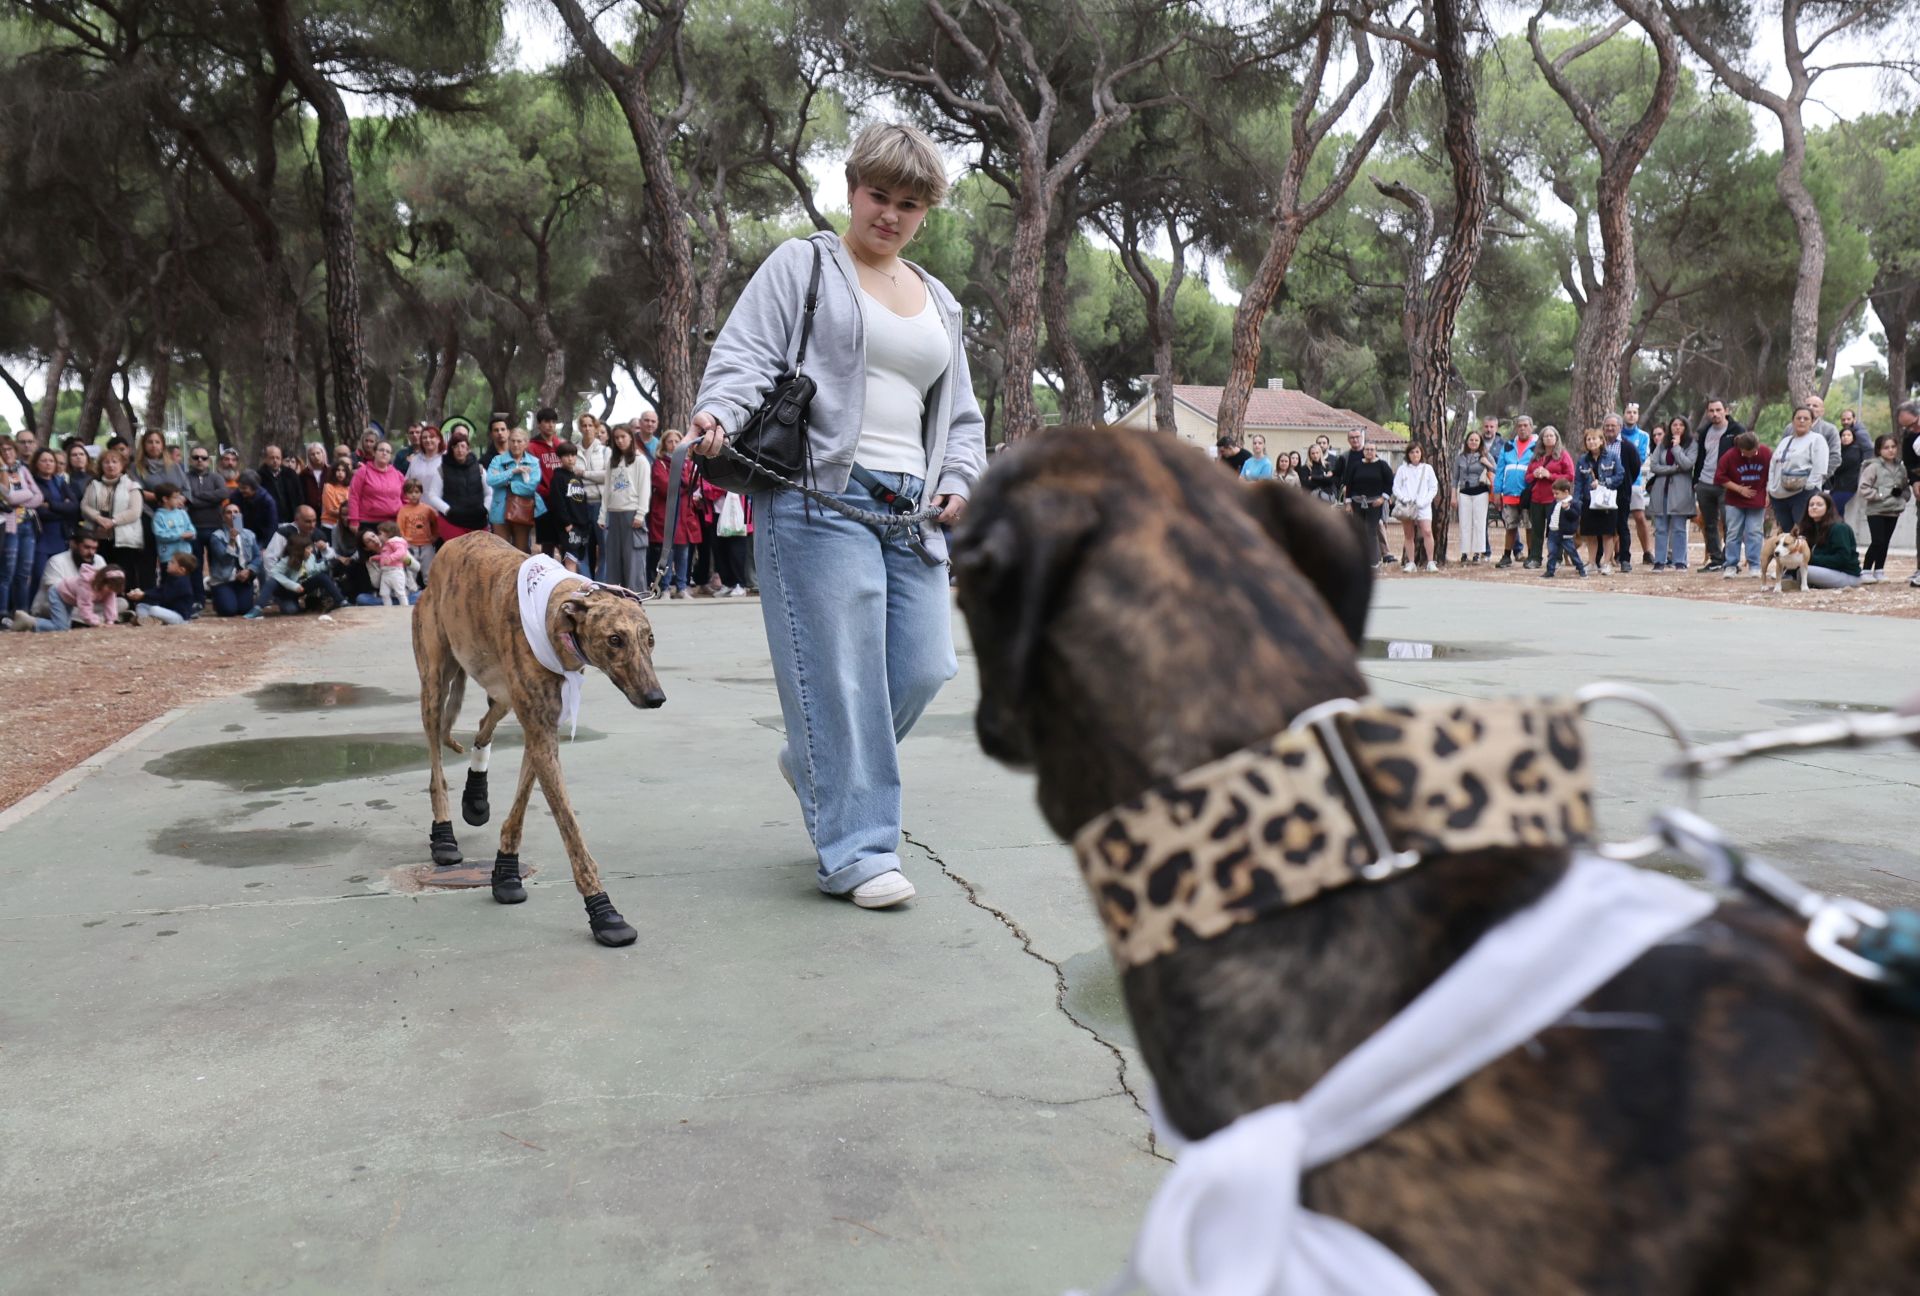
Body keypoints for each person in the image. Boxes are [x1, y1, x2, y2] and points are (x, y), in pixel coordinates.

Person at [690, 121, 985, 910]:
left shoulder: (942, 303)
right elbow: (747, 354)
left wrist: (959, 479)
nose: (890, 214)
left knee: (925, 667)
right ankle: (857, 854)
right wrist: (718, 413)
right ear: (852, 189)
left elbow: (960, 417)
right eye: (878, 196)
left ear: (927, 211)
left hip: (910, 513)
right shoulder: (806, 264)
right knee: (840, 676)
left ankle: (817, 759)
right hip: (819, 498)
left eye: (909, 203)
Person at [1692, 398, 1745, 571]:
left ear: (1726, 410)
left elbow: (1745, 455)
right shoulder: (1704, 431)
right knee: (1709, 523)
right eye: (1711, 411)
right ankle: (1715, 559)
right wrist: (1696, 481)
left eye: (1718, 410)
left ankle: (1730, 560)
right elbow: (1700, 457)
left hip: (1727, 484)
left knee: (1730, 522)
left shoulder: (1736, 430)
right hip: (1705, 483)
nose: (1715, 414)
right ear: (1707, 413)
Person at [597, 422, 651, 590]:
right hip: (613, 514)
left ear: (630, 437)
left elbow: (644, 488)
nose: (620, 441)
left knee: (633, 560)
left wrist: (640, 514)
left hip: (631, 513)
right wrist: (602, 514)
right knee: (613, 561)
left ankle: (635, 596)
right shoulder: (612, 462)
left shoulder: (640, 461)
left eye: (623, 437)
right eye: (616, 438)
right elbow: (607, 490)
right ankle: (615, 596)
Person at [648, 428, 701, 596]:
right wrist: (683, 484)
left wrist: (682, 482)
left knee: (683, 553)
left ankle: (682, 587)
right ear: (663, 445)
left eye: (677, 441)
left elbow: (695, 483)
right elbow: (665, 486)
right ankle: (664, 588)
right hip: (666, 514)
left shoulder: (688, 463)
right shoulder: (660, 463)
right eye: (669, 441)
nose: (673, 445)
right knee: (667, 553)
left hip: (684, 515)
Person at [1715, 431, 1771, 578]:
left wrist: (1768, 494)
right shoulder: (1730, 455)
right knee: (1733, 532)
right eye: (1747, 453)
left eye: (1754, 452)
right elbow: (1720, 477)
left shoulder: (1765, 453)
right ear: (1740, 449)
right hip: (1734, 500)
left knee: (1754, 532)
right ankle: (1731, 565)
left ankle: (1754, 565)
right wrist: (1739, 489)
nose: (1751, 456)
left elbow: (1773, 473)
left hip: (1757, 498)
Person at [81, 450, 144, 580]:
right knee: (100, 575)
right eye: (106, 462)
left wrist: (113, 521)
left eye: (115, 462)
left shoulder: (132, 486)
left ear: (122, 465)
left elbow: (135, 511)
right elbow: (84, 505)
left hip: (124, 540)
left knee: (123, 576)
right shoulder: (93, 485)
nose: (111, 465)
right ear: (101, 465)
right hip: (98, 537)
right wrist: (98, 518)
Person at [1857, 435, 1911, 584]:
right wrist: (1881, 494)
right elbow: (1863, 488)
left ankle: (1879, 570)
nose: (1890, 450)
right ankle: (1866, 569)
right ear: (1879, 450)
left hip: (1894, 510)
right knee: (1878, 541)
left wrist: (1903, 497)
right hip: (1876, 510)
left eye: (1893, 447)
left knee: (1885, 542)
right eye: (1886, 447)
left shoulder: (1901, 467)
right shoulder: (1873, 466)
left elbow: (1905, 487)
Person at [10, 563, 125, 633]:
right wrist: (96, 623)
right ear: (102, 581)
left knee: (65, 625)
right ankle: (30, 621)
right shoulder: (87, 586)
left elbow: (111, 603)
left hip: (70, 598)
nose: (110, 591)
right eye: (109, 587)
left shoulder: (109, 589)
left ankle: (28, 622)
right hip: (59, 593)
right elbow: (85, 608)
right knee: (61, 628)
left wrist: (110, 621)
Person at [1, 435, 44, 618]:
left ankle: (22, 613)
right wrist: (26, 494)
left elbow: (39, 497)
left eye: (10, 448)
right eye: (2, 450)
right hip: (9, 528)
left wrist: (20, 500)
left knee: (24, 573)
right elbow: (8, 496)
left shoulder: (23, 470)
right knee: (6, 573)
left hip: (27, 525)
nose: (7, 452)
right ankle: (3, 613)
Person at [28, 447, 80, 599]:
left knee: (60, 578)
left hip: (60, 536)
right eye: (43, 460)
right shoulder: (32, 482)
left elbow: (74, 507)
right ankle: (30, 611)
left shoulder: (60, 481)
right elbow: (40, 511)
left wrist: (50, 504)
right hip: (41, 536)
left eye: (51, 460)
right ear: (36, 463)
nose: (48, 464)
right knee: (39, 576)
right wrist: (62, 507)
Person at [1645, 417, 1696, 571]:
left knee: (1679, 527)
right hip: (1661, 490)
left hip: (1681, 491)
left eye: (1681, 425)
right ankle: (1660, 561)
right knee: (1661, 527)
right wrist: (1673, 469)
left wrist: (1677, 448)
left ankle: (1679, 561)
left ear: (1686, 427)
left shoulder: (1692, 445)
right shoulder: (1661, 445)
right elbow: (1654, 466)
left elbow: (1687, 464)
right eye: (1674, 425)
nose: (1677, 428)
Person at [1767, 406, 1829, 531]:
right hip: (1779, 495)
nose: (1801, 421)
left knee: (1803, 532)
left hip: (1802, 494)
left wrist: (1809, 488)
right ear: (1792, 421)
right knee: (1787, 534)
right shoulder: (1785, 441)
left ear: (1811, 422)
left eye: (1806, 418)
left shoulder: (1817, 439)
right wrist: (1771, 488)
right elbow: (1773, 465)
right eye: (1798, 418)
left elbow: (1820, 467)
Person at [486, 426, 544, 553]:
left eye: (519, 441)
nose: (515, 444)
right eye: (512, 441)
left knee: (521, 552)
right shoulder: (497, 460)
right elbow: (490, 480)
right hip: (499, 511)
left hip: (523, 511)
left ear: (526, 443)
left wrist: (508, 484)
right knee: (501, 552)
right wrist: (513, 471)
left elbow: (531, 487)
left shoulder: (533, 462)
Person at [1574, 427, 1624, 574]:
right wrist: (1576, 502)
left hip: (1607, 501)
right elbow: (1578, 482)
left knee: (1607, 533)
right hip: (1588, 501)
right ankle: (1592, 562)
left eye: (1595, 438)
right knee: (1590, 533)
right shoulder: (1582, 460)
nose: (1591, 442)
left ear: (1601, 440)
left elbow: (1620, 476)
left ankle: (1607, 563)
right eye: (1588, 439)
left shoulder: (1612, 456)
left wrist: (1604, 482)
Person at [255, 534, 344, 616]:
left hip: (300, 587)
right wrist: (293, 586)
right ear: (299, 550)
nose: (311, 550)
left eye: (311, 548)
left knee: (322, 577)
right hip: (286, 591)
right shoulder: (286, 560)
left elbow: (314, 569)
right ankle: (258, 608)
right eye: (308, 548)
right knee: (291, 610)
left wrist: (327, 564)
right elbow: (274, 573)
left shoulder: (310, 557)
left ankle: (341, 601)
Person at [1523, 426, 1574, 569]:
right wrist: (1534, 475)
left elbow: (1570, 476)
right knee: (1536, 530)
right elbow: (1526, 478)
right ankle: (1535, 558)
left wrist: (1549, 475)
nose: (1548, 438)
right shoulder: (1536, 456)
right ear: (1541, 439)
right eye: (1545, 436)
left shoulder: (1563, 455)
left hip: (1554, 499)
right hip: (1536, 499)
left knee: (1555, 530)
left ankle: (1556, 558)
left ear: (1557, 438)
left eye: (1551, 436)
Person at [1601, 413, 1645, 572]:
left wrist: (1624, 484)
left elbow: (1635, 467)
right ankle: (1602, 558)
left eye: (1613, 426)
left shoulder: (1627, 446)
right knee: (1603, 526)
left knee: (1622, 526)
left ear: (1620, 427)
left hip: (1621, 492)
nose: (1610, 428)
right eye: (1607, 426)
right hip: (1602, 492)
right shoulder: (1600, 445)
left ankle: (1625, 559)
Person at [182, 444, 233, 581]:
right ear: (190, 460)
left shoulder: (217, 477)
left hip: (215, 527)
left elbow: (223, 494)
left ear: (208, 461)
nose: (200, 460)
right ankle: (199, 599)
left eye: (203, 458)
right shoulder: (184, 478)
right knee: (195, 565)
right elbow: (187, 499)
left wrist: (196, 496)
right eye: (196, 457)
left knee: (217, 563)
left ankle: (217, 594)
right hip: (193, 528)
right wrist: (211, 499)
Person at [1493, 416, 1538, 567]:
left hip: (1528, 494)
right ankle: (1506, 556)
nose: (1522, 428)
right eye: (1520, 426)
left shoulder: (1537, 447)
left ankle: (1532, 556)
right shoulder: (1508, 446)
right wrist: (1497, 491)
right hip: (1510, 493)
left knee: (1530, 526)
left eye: (1526, 425)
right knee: (1510, 526)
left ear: (1531, 427)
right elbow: (1499, 470)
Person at [545, 441, 596, 573]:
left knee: (580, 559)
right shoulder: (558, 478)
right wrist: (566, 522)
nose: (570, 458)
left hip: (582, 525)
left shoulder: (576, 478)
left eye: (573, 455)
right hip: (568, 527)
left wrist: (586, 522)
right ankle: (570, 590)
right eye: (566, 455)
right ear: (560, 458)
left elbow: (581, 501)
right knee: (570, 560)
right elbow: (558, 502)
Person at [1342, 441, 1394, 569]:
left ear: (1376, 451)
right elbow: (1349, 484)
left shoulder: (1382, 465)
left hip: (1375, 503)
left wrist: (1383, 498)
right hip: (1357, 502)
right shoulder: (1356, 465)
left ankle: (1373, 561)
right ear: (1363, 451)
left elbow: (1390, 483)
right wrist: (1348, 502)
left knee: (1371, 531)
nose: (1369, 452)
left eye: (1372, 449)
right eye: (1367, 449)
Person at [204, 502, 261, 618]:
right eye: (229, 512)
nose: (233, 515)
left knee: (244, 609)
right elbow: (223, 559)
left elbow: (257, 557)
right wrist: (231, 540)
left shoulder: (249, 534)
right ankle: (218, 597)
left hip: (243, 578)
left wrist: (249, 571)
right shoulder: (217, 536)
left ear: (240, 515)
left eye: (236, 512)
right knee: (228, 611)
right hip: (223, 579)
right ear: (223, 517)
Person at [1794, 492, 1860, 589]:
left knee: (1802, 572)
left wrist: (1809, 559)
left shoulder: (1839, 528)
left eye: (1819, 505)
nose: (1814, 507)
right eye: (1811, 505)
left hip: (1846, 574)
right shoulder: (1810, 528)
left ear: (1828, 508)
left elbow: (1842, 558)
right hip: (1825, 571)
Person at [1391, 442, 1439, 572]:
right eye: (1412, 452)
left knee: (1427, 532)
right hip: (1407, 506)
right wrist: (1404, 498)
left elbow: (1433, 487)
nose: (1415, 455)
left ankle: (1430, 562)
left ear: (1421, 453)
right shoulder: (1402, 469)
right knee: (1408, 534)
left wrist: (1425, 501)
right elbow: (1396, 487)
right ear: (1408, 454)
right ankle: (1411, 562)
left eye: (1417, 452)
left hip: (1423, 506)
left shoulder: (1427, 468)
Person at [438, 432, 490, 541]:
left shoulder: (480, 469)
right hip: (453, 522)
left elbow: (489, 492)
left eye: (462, 446)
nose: (459, 450)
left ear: (468, 448)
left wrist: (485, 508)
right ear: (451, 449)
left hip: (478, 521)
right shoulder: (442, 469)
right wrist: (447, 510)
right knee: (458, 555)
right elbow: (433, 495)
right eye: (455, 446)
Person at [1619, 404, 1653, 568]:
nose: (1631, 415)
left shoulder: (1644, 436)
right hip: (1617, 482)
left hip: (1635, 482)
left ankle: (1647, 552)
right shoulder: (1617, 433)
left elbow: (1639, 458)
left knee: (1639, 517)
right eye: (1628, 413)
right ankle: (1618, 552)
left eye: (1634, 413)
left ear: (1638, 416)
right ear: (1623, 415)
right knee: (1618, 518)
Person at [347, 440, 405, 537]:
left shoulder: (397, 474)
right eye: (381, 450)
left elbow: (405, 497)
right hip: (368, 523)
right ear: (374, 452)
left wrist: (404, 516)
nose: (384, 453)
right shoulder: (363, 472)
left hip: (392, 523)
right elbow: (354, 496)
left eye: (388, 451)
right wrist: (353, 520)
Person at [1453, 428, 1494, 563]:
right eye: (1471, 440)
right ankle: (1464, 552)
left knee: (1479, 523)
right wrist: (1453, 495)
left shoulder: (1486, 455)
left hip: (1481, 492)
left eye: (1476, 440)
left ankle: (1478, 552)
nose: (1474, 442)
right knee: (1464, 523)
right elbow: (1455, 478)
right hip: (1465, 492)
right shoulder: (1460, 458)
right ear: (1467, 441)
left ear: (1480, 442)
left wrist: (1486, 463)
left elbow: (1497, 469)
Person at [576, 413, 609, 580]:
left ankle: (601, 583)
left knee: (605, 548)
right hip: (581, 504)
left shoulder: (605, 451)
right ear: (580, 428)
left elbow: (608, 475)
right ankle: (586, 582)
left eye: (590, 425)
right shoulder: (574, 450)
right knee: (582, 546)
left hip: (601, 504)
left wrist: (585, 474)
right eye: (584, 425)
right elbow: (572, 476)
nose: (587, 429)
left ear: (596, 429)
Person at [528, 408, 564, 556]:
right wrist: (545, 493)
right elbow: (531, 478)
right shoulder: (531, 447)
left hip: (562, 502)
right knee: (548, 546)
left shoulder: (560, 445)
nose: (550, 425)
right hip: (544, 503)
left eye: (553, 422)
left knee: (565, 544)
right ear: (539, 424)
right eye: (547, 421)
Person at [1541, 478, 1588, 579]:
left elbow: (1575, 516)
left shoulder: (1574, 503)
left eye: (1557, 493)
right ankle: (1550, 570)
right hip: (1553, 533)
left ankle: (1581, 568)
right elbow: (1551, 514)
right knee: (1552, 553)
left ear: (1566, 492)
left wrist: (1567, 509)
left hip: (1565, 534)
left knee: (1572, 552)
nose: (1555, 496)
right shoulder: (1555, 502)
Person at [136, 553, 201, 626]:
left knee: (154, 609)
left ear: (181, 569)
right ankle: (148, 620)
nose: (168, 563)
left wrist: (144, 594)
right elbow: (160, 590)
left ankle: (150, 619)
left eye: (172, 562)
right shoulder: (172, 578)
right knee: (141, 606)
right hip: (168, 612)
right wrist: (143, 593)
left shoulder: (182, 583)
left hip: (180, 617)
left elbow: (163, 596)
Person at [395, 479, 440, 585]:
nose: (414, 495)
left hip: (427, 545)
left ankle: (430, 593)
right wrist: (404, 539)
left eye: (416, 492)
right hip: (410, 547)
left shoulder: (428, 509)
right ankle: (411, 594)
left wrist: (434, 536)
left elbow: (436, 523)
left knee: (429, 571)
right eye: (410, 493)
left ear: (421, 492)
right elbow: (399, 527)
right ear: (405, 494)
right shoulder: (403, 510)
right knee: (410, 571)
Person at [257, 445, 305, 530]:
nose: (275, 461)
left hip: (292, 521)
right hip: (270, 523)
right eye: (272, 458)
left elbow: (299, 496)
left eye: (278, 458)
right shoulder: (259, 476)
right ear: (265, 459)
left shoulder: (291, 474)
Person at [151, 485, 195, 570]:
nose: (179, 500)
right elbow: (160, 535)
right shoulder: (158, 516)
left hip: (185, 554)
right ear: (165, 499)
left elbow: (190, 528)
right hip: (169, 557)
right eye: (176, 498)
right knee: (169, 581)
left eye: (179, 497)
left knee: (185, 581)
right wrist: (180, 535)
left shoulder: (182, 513)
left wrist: (191, 535)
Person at [1829, 423, 1867, 520]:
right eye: (1843, 435)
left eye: (1848, 435)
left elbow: (1839, 466)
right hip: (1837, 487)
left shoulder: (1855, 450)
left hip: (1847, 487)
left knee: (1830, 511)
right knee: (1838, 515)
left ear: (1853, 437)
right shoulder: (1840, 450)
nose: (1845, 437)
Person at [234, 469, 279, 547]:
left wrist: (266, 546)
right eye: (240, 487)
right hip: (243, 535)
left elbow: (272, 525)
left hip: (261, 537)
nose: (241, 490)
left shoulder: (267, 501)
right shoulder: (236, 497)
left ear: (254, 488)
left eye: (244, 488)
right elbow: (236, 520)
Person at [374, 521, 413, 605]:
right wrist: (376, 558)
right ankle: (388, 609)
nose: (378, 536)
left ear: (388, 533)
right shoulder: (387, 544)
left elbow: (401, 552)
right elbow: (385, 557)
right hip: (386, 572)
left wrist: (391, 558)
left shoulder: (396, 542)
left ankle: (404, 609)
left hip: (395, 571)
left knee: (400, 593)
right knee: (384, 593)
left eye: (380, 533)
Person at [320, 459, 353, 554]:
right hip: (329, 525)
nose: (340, 473)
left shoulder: (350, 488)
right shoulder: (328, 487)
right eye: (338, 470)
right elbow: (331, 510)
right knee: (331, 553)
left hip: (345, 526)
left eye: (343, 471)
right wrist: (346, 513)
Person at [1805, 393, 1842, 466]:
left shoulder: (1830, 430)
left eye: (1815, 406)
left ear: (1822, 411)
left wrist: (1822, 475)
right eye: (1808, 405)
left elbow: (1835, 457)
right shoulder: (1790, 428)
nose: (1810, 408)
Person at [300, 441, 331, 515]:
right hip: (310, 512)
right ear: (308, 456)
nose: (316, 456)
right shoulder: (304, 474)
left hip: (329, 511)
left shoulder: (331, 471)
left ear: (323, 454)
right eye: (312, 454)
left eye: (318, 453)